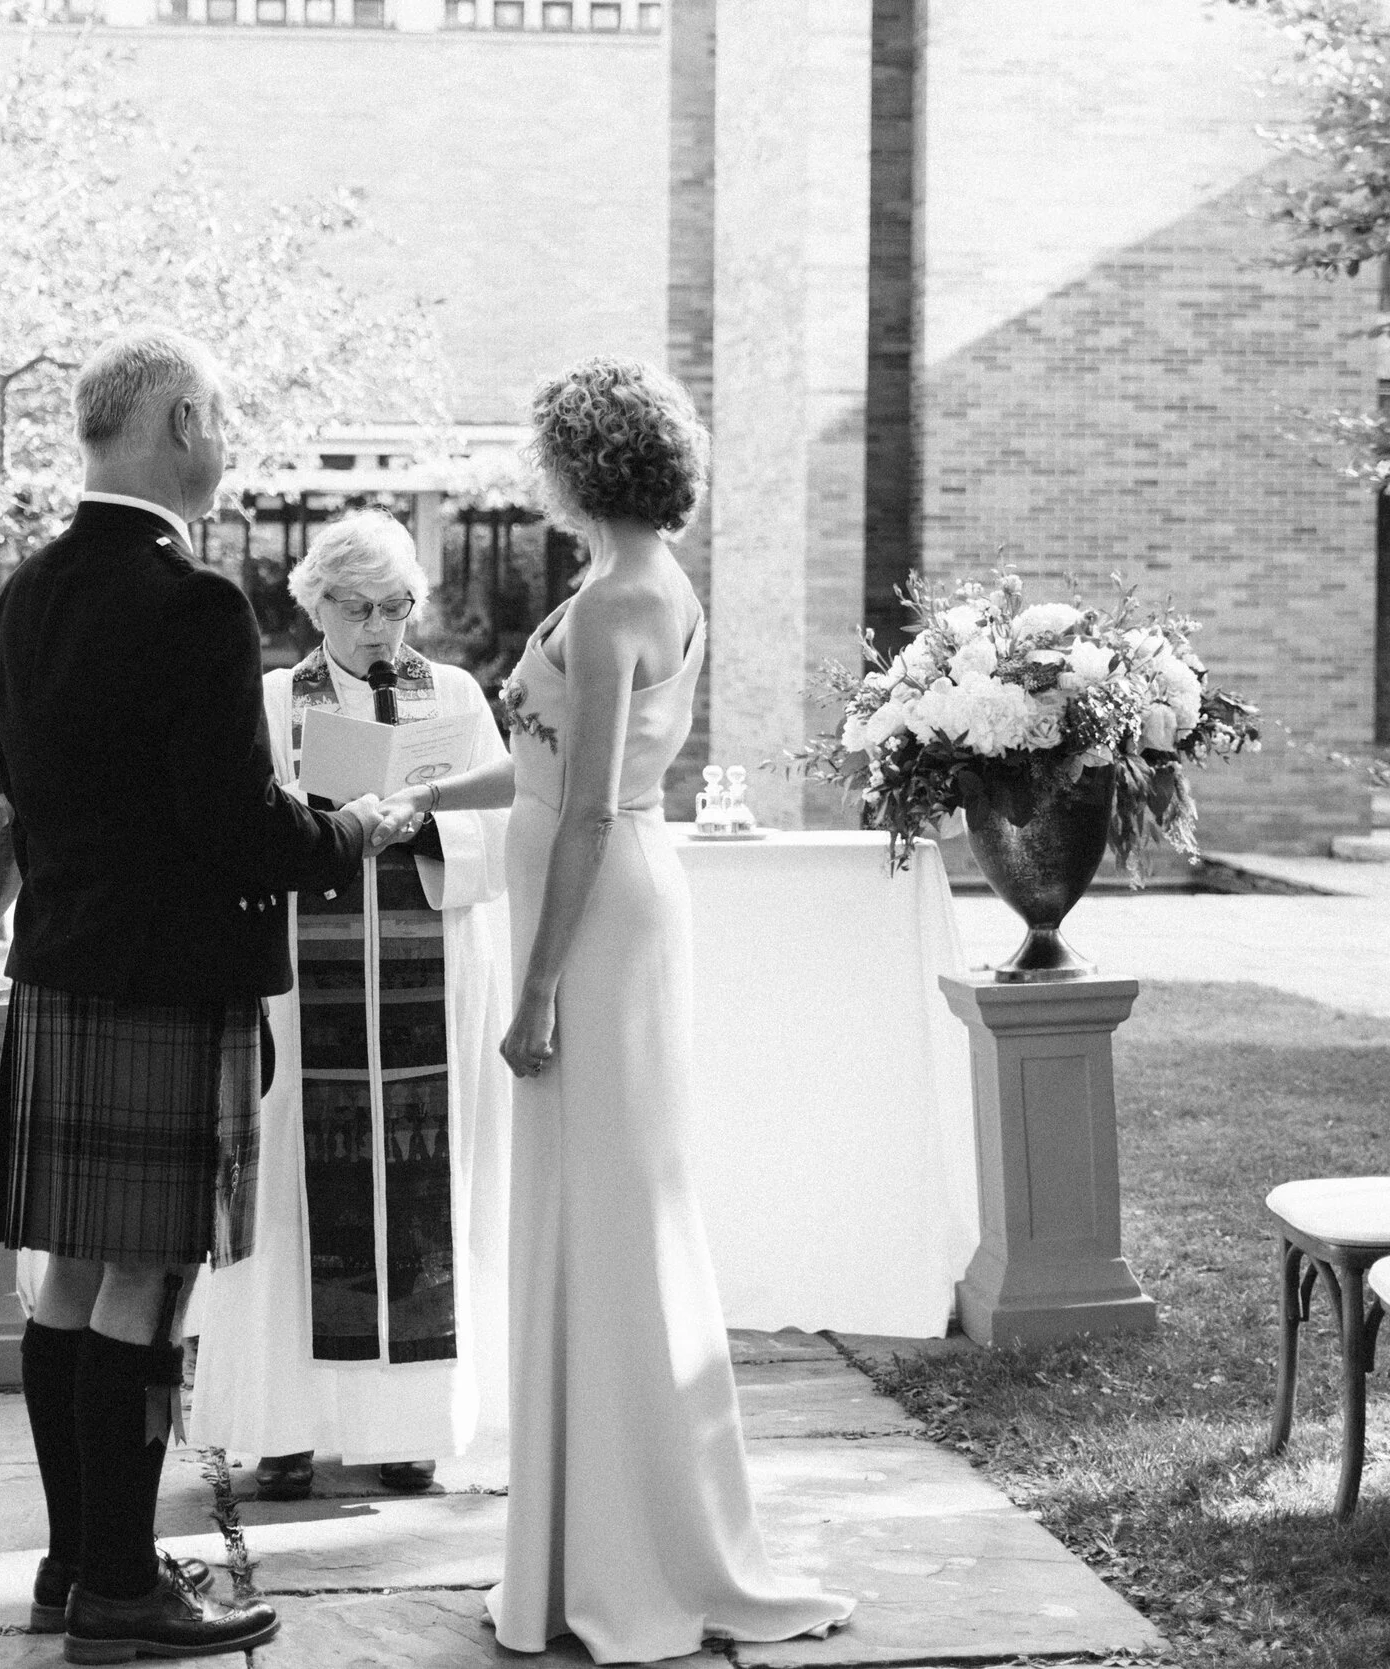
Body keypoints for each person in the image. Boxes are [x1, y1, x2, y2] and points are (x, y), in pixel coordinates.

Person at [375, 359, 856, 1663]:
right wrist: (419, 800)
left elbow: (587, 808)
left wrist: (536, 991)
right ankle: (602, 1529)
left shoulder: (610, 608)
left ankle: (621, 1549)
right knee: (603, 1217)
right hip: (607, 902)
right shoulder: (640, 589)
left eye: (546, 454)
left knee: (611, 1218)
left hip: (594, 929)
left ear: (581, 467)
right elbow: (535, 765)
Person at [0, 327, 399, 1665]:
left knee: (69, 1282)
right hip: (169, 982)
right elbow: (231, 824)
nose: (228, 442)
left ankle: (73, 1560)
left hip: (65, 964)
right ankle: (122, 1592)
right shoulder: (195, 602)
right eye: (218, 419)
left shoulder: (24, 592)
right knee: (147, 1293)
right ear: (173, 422)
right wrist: (349, 834)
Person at [189, 510, 514, 1500]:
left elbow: (503, 833)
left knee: (416, 1188)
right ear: (313, 603)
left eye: (397, 607)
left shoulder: (451, 694)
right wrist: (329, 827)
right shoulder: (270, 701)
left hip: (423, 973)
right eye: (359, 608)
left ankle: (400, 1426)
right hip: (301, 985)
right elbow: (238, 833)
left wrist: (424, 828)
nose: (381, 629)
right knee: (289, 1184)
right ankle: (279, 1428)